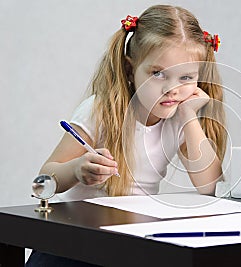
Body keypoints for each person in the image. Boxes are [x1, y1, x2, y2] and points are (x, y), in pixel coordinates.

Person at [27, 5, 226, 266]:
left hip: (129, 240)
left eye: (186, 77)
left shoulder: (180, 118)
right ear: (131, 69)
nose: (172, 90)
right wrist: (77, 170)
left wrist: (190, 117)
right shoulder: (100, 110)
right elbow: (44, 178)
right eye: (158, 74)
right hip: (73, 245)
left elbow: (209, 184)